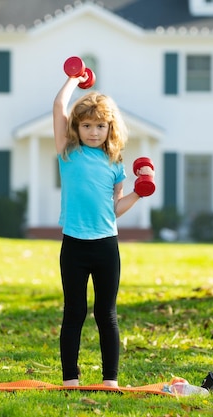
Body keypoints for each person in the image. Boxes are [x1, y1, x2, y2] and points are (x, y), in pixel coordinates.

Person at [52, 73, 154, 388]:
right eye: (86, 126)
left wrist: (139, 192)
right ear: (75, 128)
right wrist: (74, 79)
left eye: (100, 126)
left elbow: (115, 208)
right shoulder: (68, 152)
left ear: (110, 128)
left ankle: (110, 379)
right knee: (74, 313)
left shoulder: (114, 163)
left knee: (105, 315)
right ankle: (71, 378)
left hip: (106, 247)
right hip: (74, 246)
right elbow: (58, 106)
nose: (93, 132)